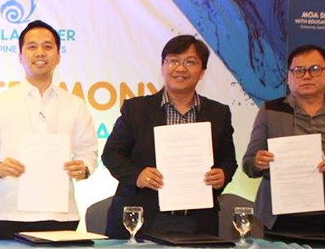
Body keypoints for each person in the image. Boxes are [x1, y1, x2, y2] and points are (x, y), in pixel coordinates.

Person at [0, 20, 97, 240]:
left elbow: (89, 152)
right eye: (32, 47)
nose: (40, 53)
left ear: (58, 56)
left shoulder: (75, 105)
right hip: (12, 213)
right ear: (20, 56)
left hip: (62, 214)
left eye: (47, 47)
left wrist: (83, 168)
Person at [102, 35, 237, 238]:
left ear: (202, 72)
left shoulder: (218, 113)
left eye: (190, 62)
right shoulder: (136, 109)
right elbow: (111, 154)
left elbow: (228, 161)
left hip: (197, 220)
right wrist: (137, 175)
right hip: (142, 219)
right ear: (163, 66)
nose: (181, 68)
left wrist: (223, 174)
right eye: (173, 61)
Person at [243, 44, 325, 234]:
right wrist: (258, 162)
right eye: (298, 70)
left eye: (314, 69)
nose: (306, 76)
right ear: (289, 77)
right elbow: (248, 164)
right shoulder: (271, 110)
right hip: (279, 217)